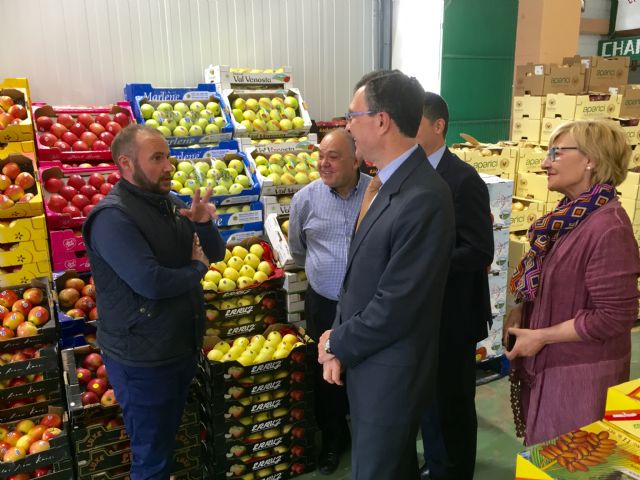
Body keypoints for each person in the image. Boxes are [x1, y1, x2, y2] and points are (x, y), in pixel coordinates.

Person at [317, 70, 455, 480]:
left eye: (352, 115)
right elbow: (359, 276)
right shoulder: (382, 185)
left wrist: (337, 340)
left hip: (391, 371)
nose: (347, 126)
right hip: (369, 361)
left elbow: (397, 304)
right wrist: (336, 339)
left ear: (381, 120)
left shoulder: (424, 197)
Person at [83, 124, 225, 479]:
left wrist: (205, 224)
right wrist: (196, 269)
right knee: (152, 457)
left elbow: (216, 254)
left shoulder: (172, 204)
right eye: (157, 158)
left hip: (178, 346)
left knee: (164, 444)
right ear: (126, 164)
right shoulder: (112, 218)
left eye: (168, 157)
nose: (169, 167)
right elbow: (151, 282)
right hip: (143, 359)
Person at [505, 119, 640, 446]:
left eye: (556, 152)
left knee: (571, 462)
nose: (544, 162)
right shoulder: (570, 216)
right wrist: (525, 308)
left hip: (580, 379)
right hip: (554, 369)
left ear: (591, 159)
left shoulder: (608, 228)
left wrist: (542, 336)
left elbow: (616, 316)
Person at [416, 92, 494, 480]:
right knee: (429, 402)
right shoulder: (412, 176)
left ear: (438, 126)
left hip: (454, 317)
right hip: (423, 316)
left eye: (412, 123)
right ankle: (437, 461)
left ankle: (456, 470)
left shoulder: (463, 180)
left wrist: (424, 263)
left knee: (453, 402)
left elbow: (480, 249)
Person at [288, 128, 371, 474]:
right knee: (327, 377)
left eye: (333, 156)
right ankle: (334, 439)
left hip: (368, 307)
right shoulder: (305, 199)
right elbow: (297, 249)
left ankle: (369, 437)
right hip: (322, 303)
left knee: (366, 374)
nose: (323, 163)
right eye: (320, 155)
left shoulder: (377, 194)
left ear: (356, 159)